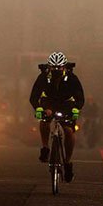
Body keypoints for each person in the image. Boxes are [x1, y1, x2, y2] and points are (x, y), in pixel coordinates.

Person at [29, 51, 85, 182]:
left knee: (68, 131)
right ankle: (45, 148)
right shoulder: (43, 77)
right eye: (53, 68)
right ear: (49, 67)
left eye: (59, 68)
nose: (56, 70)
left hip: (67, 104)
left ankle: (67, 162)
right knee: (44, 120)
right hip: (49, 103)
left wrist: (76, 109)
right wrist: (38, 108)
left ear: (64, 67)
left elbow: (80, 97)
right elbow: (34, 96)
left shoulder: (72, 78)